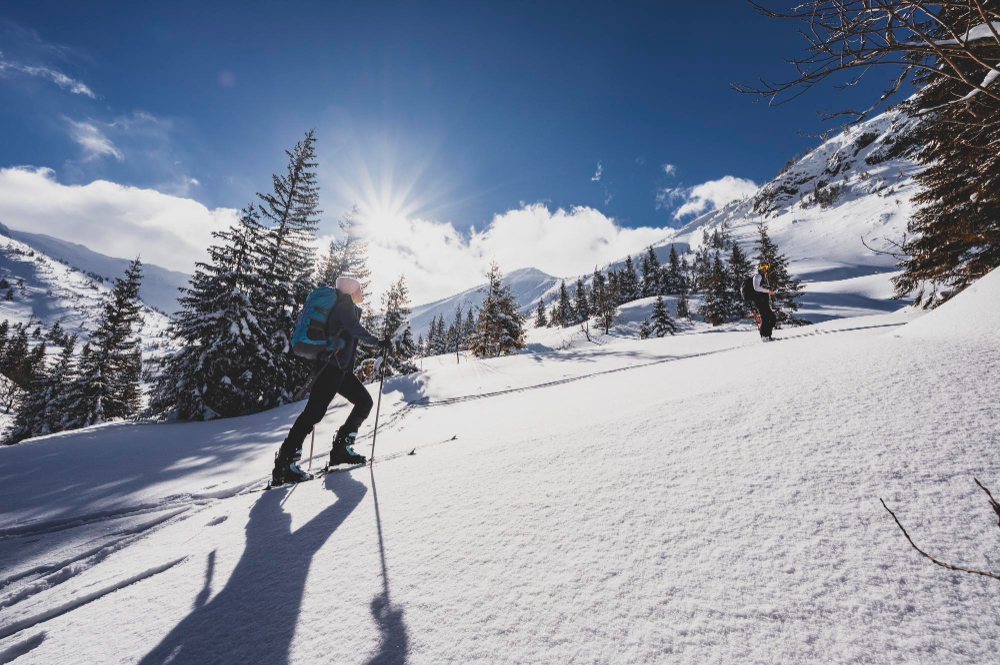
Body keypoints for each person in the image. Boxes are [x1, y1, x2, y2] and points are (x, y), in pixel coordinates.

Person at [271, 276, 390, 486]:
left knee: (364, 402)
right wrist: (378, 342)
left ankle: (341, 449)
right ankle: (285, 462)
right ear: (351, 290)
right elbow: (354, 328)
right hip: (330, 368)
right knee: (313, 413)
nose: (361, 293)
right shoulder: (345, 305)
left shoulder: (346, 306)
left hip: (339, 370)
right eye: (359, 289)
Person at [751, 263, 777, 342]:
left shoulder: (763, 277)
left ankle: (768, 336)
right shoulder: (757, 276)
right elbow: (756, 288)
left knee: (771, 318)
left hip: (764, 301)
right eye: (762, 266)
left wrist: (771, 291)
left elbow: (763, 289)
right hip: (759, 301)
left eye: (766, 266)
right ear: (759, 267)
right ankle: (764, 336)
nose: (764, 268)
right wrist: (768, 291)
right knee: (765, 318)